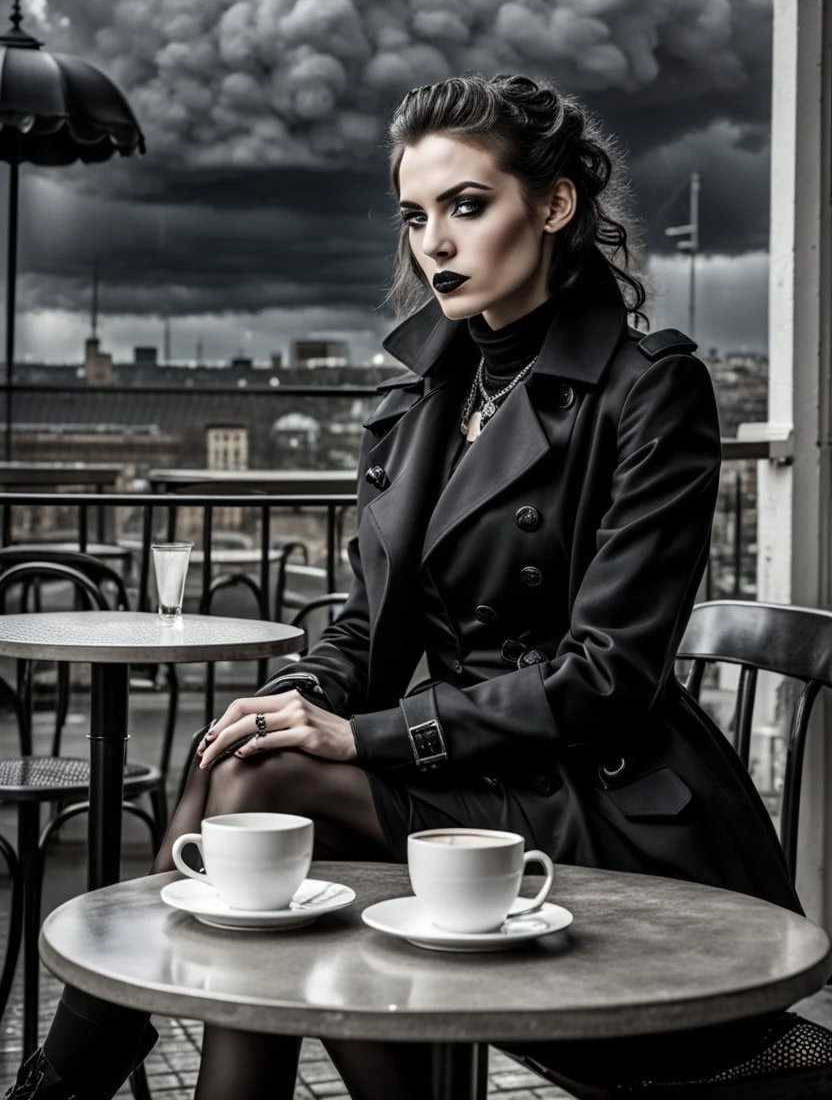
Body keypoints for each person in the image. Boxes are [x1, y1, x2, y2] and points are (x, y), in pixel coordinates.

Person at [9, 72, 832, 1100]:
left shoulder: (650, 386)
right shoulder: (418, 400)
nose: (432, 241)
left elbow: (605, 678)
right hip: (470, 775)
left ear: (554, 204)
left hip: (600, 791)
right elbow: (368, 626)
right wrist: (303, 696)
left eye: (465, 205)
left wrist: (362, 737)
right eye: (414, 216)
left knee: (258, 798)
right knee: (246, 757)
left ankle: (65, 1078)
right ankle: (77, 1076)